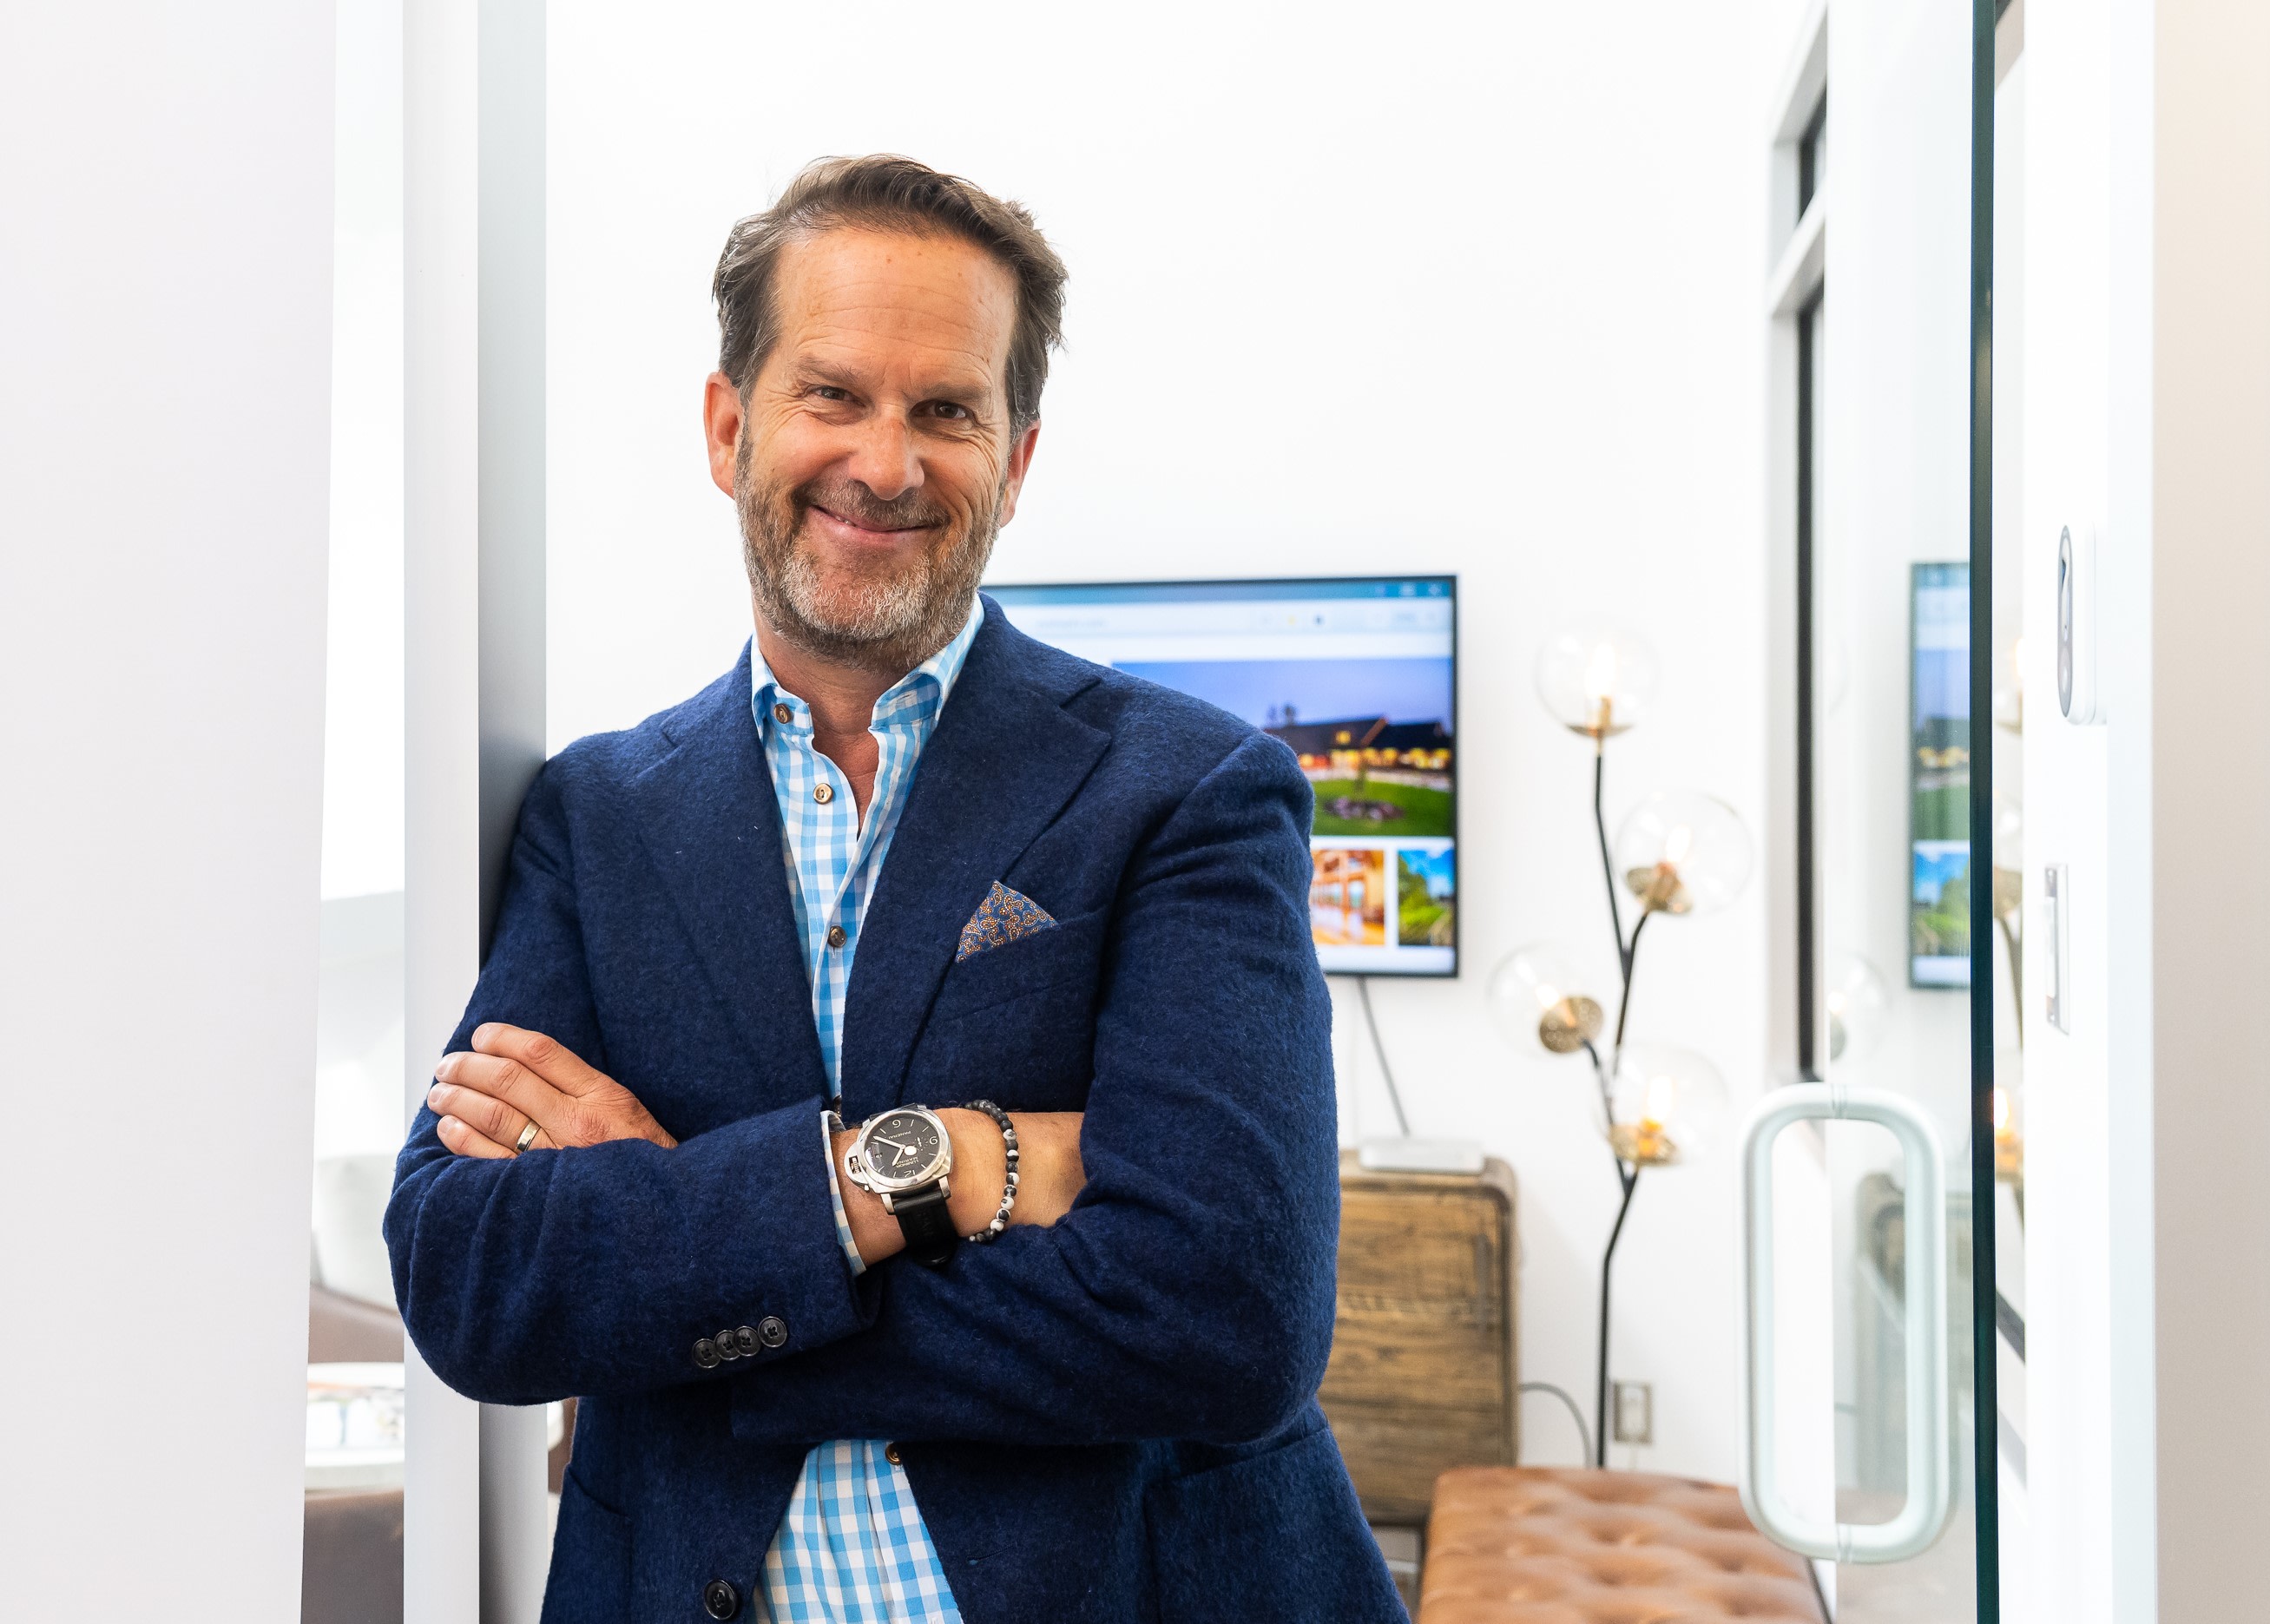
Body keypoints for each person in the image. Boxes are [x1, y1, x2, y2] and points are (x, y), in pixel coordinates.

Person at [385, 155, 1402, 1624]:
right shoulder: (596, 821)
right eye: (834, 394)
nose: (885, 462)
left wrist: (695, 1271)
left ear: (1017, 461)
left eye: (946, 411)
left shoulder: (1190, 790)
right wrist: (950, 1167)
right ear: (730, 426)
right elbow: (471, 1279)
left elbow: (1225, 1315)